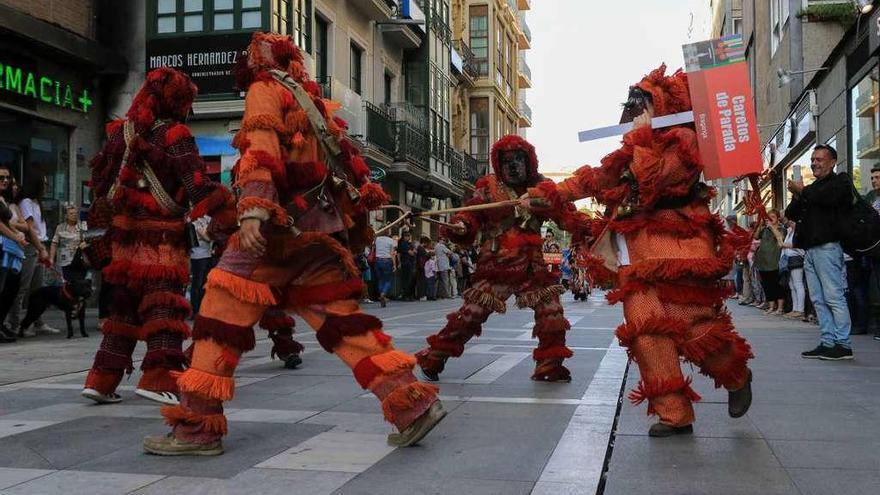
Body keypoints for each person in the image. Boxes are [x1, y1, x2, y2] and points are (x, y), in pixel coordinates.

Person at [143, 32, 444, 456]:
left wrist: (253, 209)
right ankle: (411, 404)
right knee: (343, 323)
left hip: (275, 236)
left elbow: (262, 148)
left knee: (218, 317)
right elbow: (346, 160)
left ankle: (196, 428)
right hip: (319, 235)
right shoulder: (308, 99)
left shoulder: (265, 89)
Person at [523, 65, 753, 437]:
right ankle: (673, 413)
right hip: (636, 251)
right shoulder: (633, 147)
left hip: (679, 249)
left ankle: (737, 374)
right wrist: (546, 194)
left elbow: (656, 178)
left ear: (659, 104)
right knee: (645, 330)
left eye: (640, 104)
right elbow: (596, 179)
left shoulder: (684, 139)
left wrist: (643, 137)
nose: (632, 112)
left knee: (693, 324)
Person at [81, 67, 237, 406]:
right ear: (179, 100)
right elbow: (197, 187)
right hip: (161, 240)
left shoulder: (123, 134)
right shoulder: (175, 134)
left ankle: (102, 379)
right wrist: (231, 211)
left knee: (124, 309)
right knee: (163, 308)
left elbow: (101, 185)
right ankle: (158, 378)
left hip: (124, 239)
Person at [416, 135, 585, 382]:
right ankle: (435, 354)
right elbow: (471, 216)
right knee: (470, 315)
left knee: (552, 314)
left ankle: (549, 364)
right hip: (497, 264)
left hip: (532, 266)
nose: (513, 165)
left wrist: (586, 226)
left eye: (518, 159)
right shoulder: (489, 188)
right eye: (507, 161)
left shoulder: (543, 187)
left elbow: (566, 215)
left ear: (529, 161)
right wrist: (462, 225)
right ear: (498, 163)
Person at [785, 144, 854, 360]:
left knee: (833, 297)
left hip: (828, 248)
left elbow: (828, 198)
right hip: (810, 251)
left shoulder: (840, 182)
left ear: (832, 162)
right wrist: (798, 195)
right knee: (818, 298)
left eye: (819, 159)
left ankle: (843, 344)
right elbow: (791, 213)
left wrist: (802, 191)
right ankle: (827, 341)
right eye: (813, 160)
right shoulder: (812, 190)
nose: (815, 163)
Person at [7, 174, 56, 337]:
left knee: (38, 289)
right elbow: (29, 229)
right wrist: (40, 248)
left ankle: (37, 322)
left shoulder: (37, 203)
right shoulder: (26, 203)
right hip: (30, 248)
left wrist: (43, 248)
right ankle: (15, 324)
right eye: (45, 184)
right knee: (23, 287)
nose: (47, 187)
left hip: (39, 246)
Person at [0, 165, 28, 342]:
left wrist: (17, 235)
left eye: (6, 177)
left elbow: (6, 223)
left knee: (9, 288)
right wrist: (16, 237)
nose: (5, 180)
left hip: (7, 249)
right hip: (4, 247)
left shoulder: (4, 200)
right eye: (1, 177)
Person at [753, 210, 785, 315]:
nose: (770, 219)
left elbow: (781, 238)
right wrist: (760, 225)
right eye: (769, 217)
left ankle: (780, 308)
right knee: (767, 285)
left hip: (774, 261)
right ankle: (771, 306)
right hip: (763, 261)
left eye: (773, 217)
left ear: (778, 218)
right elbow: (756, 236)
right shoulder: (765, 229)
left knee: (777, 284)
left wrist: (772, 227)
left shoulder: (781, 229)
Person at [863, 166, 880, 340]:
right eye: (873, 178)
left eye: (877, 177)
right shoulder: (873, 200)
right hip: (875, 250)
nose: (874, 181)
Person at [49, 205, 85, 282]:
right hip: (64, 260)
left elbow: (87, 241)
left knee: (79, 282)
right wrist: (51, 258)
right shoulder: (60, 227)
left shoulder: (82, 226)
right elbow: (54, 243)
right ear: (66, 215)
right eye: (71, 213)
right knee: (66, 282)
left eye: (76, 213)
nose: (74, 215)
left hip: (79, 261)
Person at [779, 219, 806, 319]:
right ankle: (795, 308)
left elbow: (797, 246)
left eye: (792, 222)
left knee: (798, 283)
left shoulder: (799, 233)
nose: (790, 223)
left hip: (797, 258)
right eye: (790, 222)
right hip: (789, 259)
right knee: (791, 284)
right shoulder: (790, 232)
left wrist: (785, 245)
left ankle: (800, 310)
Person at [189, 215, 213, 316]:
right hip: (197, 256)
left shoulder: (208, 218)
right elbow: (207, 238)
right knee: (197, 284)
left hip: (208, 255)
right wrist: (209, 234)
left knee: (205, 284)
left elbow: (212, 234)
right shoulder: (193, 220)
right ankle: (195, 310)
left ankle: (203, 309)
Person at [373, 232, 395, 307]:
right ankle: (383, 293)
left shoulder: (377, 239)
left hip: (378, 260)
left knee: (380, 280)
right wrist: (394, 264)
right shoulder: (391, 240)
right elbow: (392, 253)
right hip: (387, 261)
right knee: (388, 280)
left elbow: (373, 247)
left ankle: (381, 294)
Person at [397, 231, 416, 301]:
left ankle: (407, 295)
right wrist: (412, 251)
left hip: (408, 263)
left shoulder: (408, 243)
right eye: (407, 236)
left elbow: (414, 251)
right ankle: (406, 295)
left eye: (408, 236)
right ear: (404, 236)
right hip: (406, 262)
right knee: (407, 279)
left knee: (407, 279)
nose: (408, 237)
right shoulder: (403, 244)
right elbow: (412, 253)